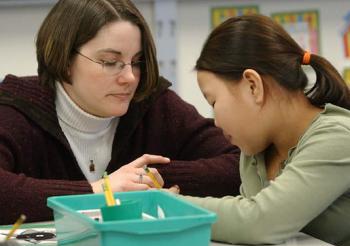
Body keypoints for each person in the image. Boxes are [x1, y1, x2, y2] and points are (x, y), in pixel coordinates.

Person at [0, 0, 241, 225]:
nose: (130, 77)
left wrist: (145, 179)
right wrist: (100, 191)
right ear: (64, 60)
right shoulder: (16, 107)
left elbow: (241, 164)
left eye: (136, 62)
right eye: (110, 62)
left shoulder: (154, 103)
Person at [180, 14, 350, 246]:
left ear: (253, 86)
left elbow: (259, 221)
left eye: (214, 101)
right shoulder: (255, 153)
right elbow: (244, 211)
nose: (215, 121)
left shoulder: (338, 137)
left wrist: (170, 206)